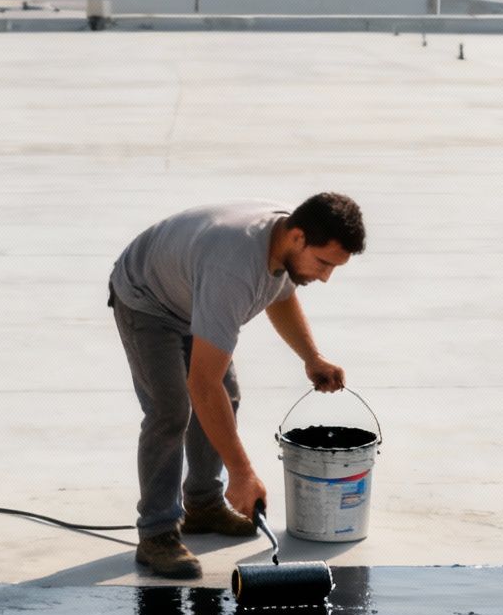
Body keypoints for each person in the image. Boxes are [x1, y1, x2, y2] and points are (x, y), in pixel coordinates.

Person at [109, 193, 366, 579]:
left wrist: (311, 357)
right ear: (298, 238)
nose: (326, 277)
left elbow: (280, 295)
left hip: (190, 289)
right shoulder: (233, 268)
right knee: (171, 409)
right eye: (324, 263)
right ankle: (157, 533)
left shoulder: (281, 241)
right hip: (148, 299)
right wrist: (242, 473)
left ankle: (202, 504)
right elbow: (202, 382)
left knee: (226, 396)